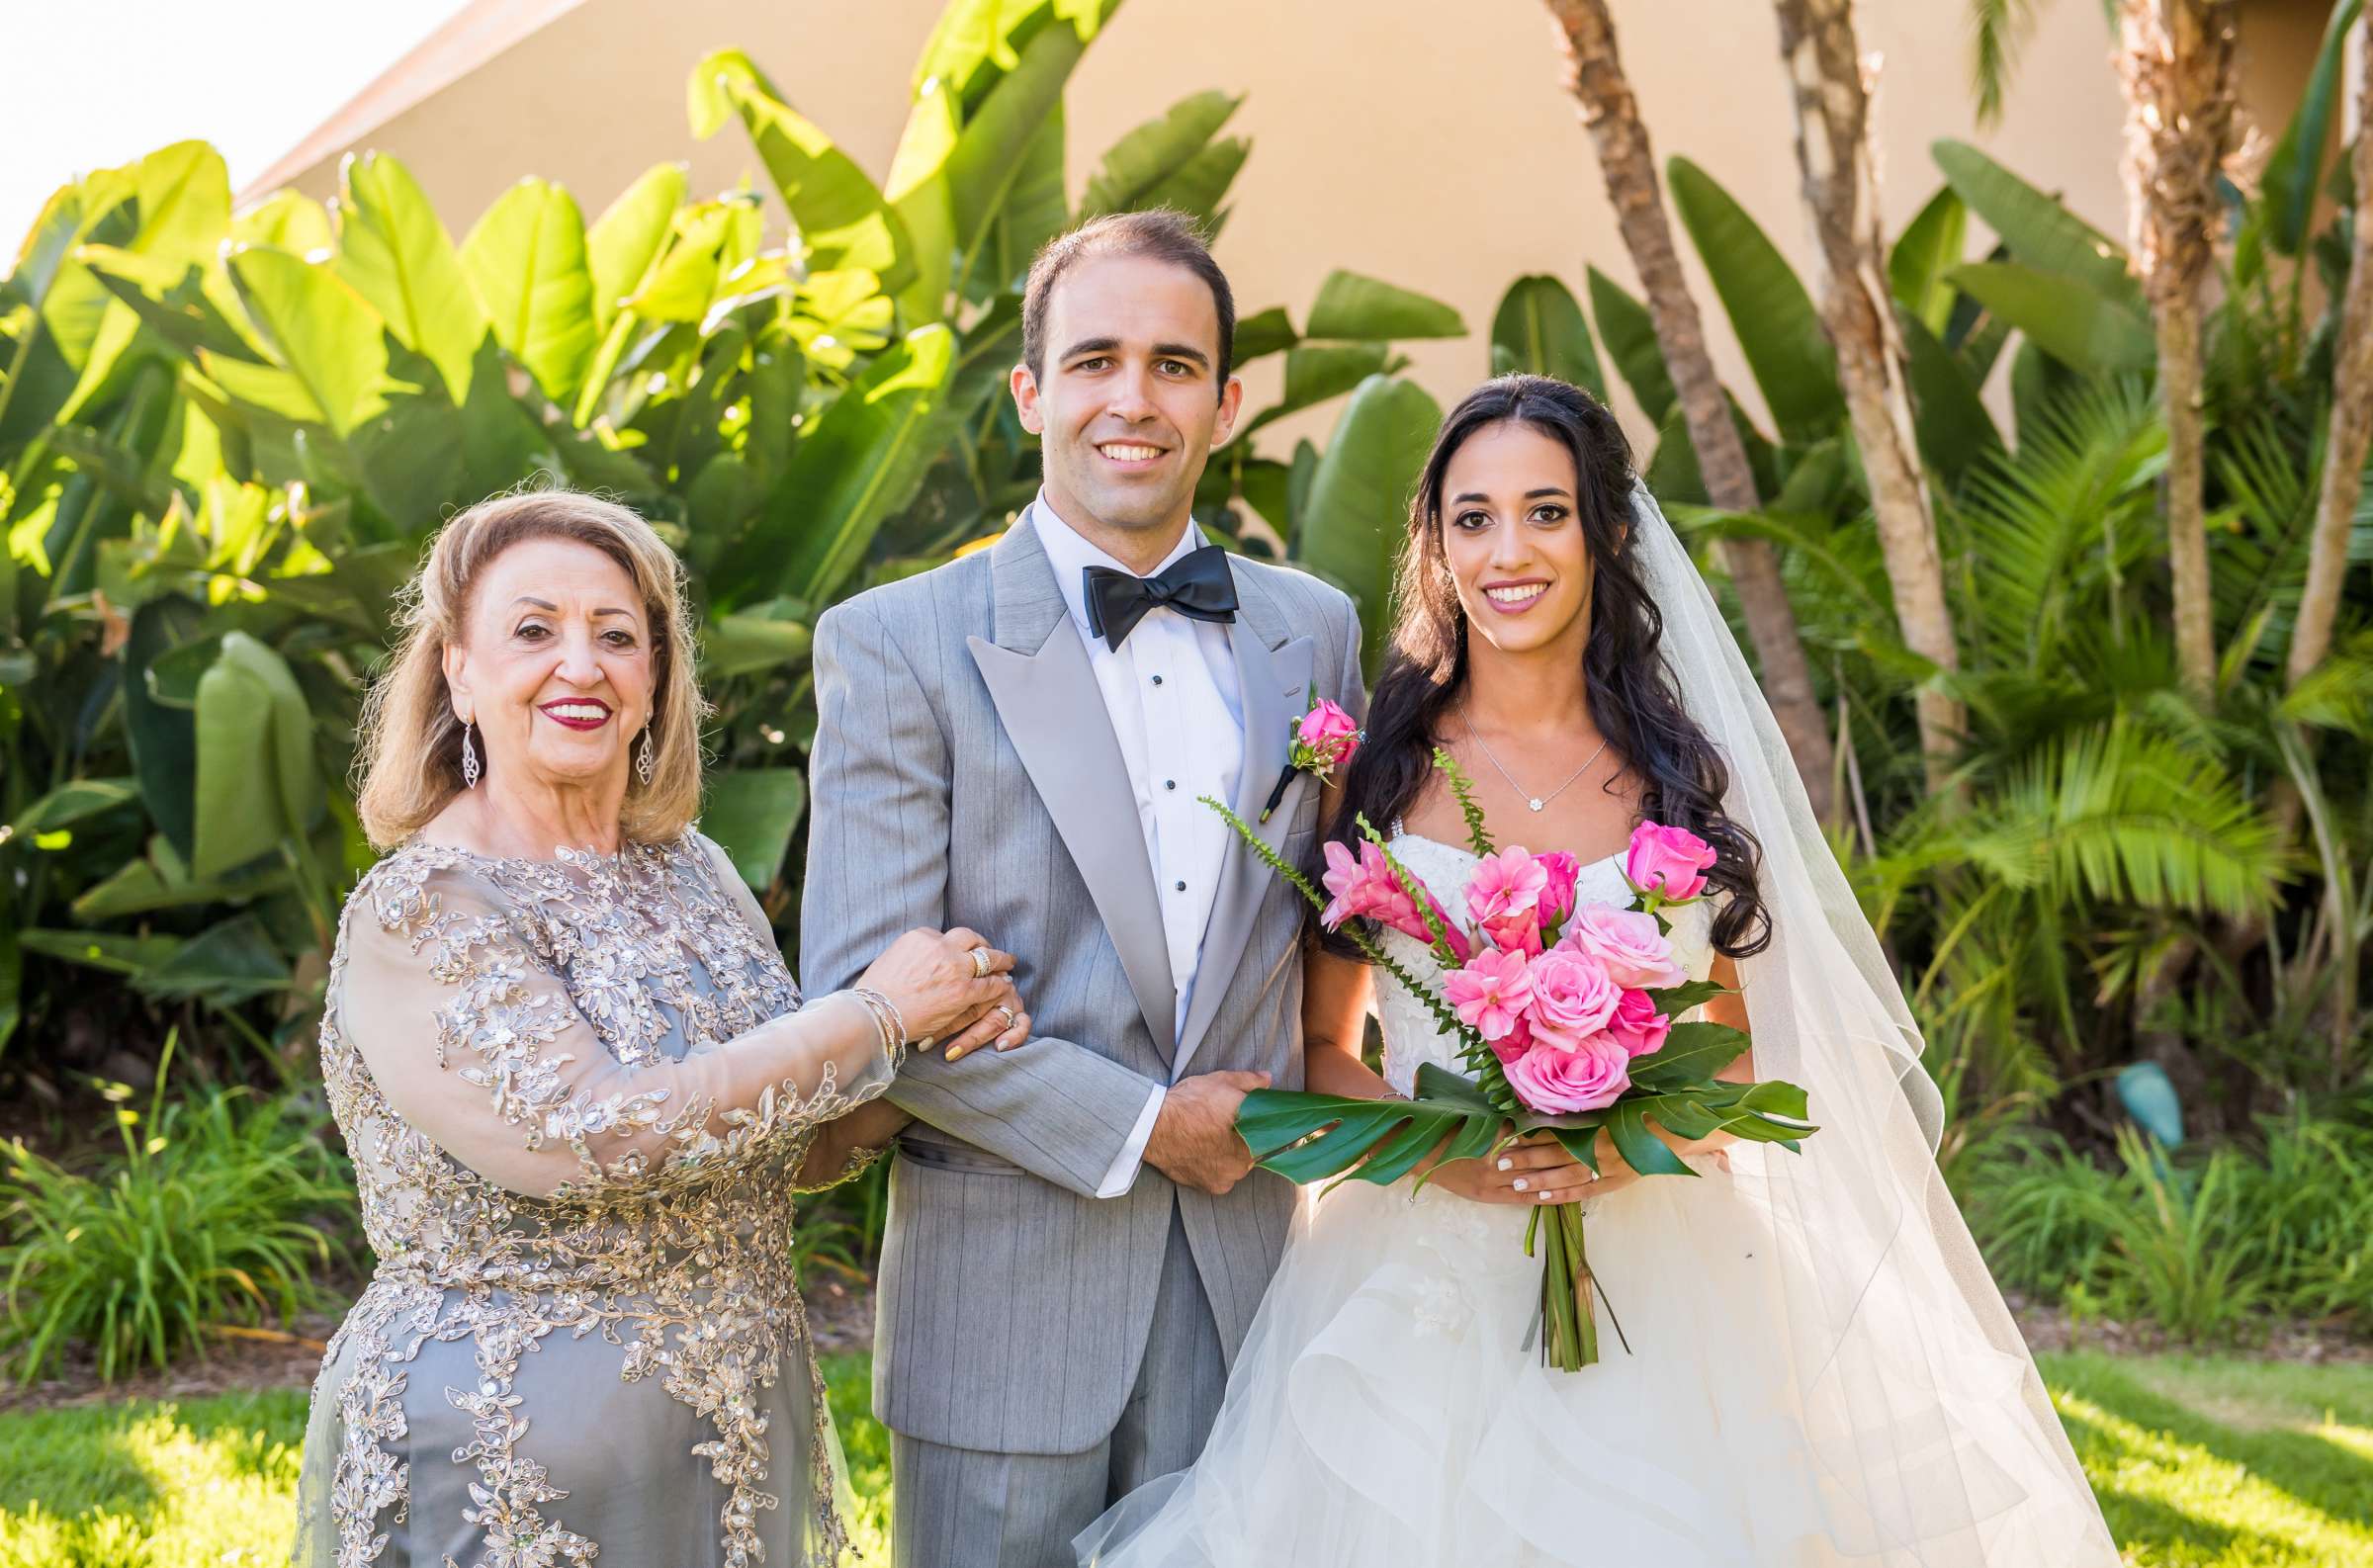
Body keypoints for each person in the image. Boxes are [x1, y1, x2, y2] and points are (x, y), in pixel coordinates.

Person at [1079, 377, 2122, 1566]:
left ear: (1607, 533)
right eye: (1471, 518)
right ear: (1436, 543)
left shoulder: (1675, 778)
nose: (1507, 552)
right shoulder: (1375, 769)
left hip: (1662, 1268)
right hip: (1419, 1267)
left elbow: (1727, 1046)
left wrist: (1623, 1145)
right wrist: (1447, 1154)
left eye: (1546, 511)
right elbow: (1324, 1042)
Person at [290, 488, 1027, 1567]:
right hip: (509, 1465)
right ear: (457, 669)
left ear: (655, 680)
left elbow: (798, 1132)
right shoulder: (428, 904)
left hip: (726, 1441)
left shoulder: (693, 870)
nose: (581, 664)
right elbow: (595, 1134)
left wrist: (939, 1020)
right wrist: (874, 1011)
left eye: (618, 635)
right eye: (534, 629)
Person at [799, 211, 1365, 1566]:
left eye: (1175, 365)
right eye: (1095, 358)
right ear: (1030, 393)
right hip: (1004, 1306)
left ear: (1226, 403)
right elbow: (866, 1002)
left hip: (1246, 1286)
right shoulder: (896, 645)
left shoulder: (1317, 629)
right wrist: (1148, 1123)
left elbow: (1340, 928)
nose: (1134, 398)